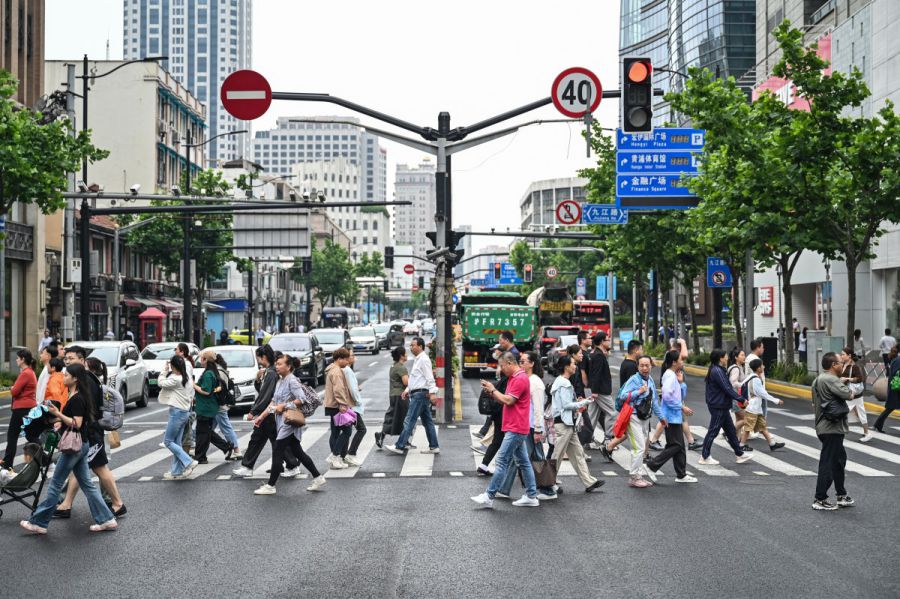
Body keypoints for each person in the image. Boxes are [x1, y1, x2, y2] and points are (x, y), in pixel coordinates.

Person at [20, 363, 118, 535]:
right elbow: (72, 421)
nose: (63, 377)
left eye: (66, 375)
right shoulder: (76, 395)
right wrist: (53, 420)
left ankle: (39, 522)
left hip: (75, 447)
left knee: (56, 483)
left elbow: (76, 423)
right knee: (87, 485)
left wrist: (58, 414)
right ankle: (107, 519)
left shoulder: (78, 399)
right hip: (82, 444)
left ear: (75, 379)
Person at [54, 355, 127, 520]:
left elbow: (86, 409)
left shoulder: (87, 381)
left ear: (82, 361)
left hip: (92, 432)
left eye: (71, 358)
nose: (67, 361)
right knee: (81, 469)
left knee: (99, 468)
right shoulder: (89, 379)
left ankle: (117, 504)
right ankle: (66, 504)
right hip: (91, 432)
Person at [470, 352, 541, 508]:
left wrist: (493, 390)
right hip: (514, 425)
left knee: (501, 461)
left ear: (510, 363)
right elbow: (505, 399)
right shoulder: (514, 378)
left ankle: (489, 495)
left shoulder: (520, 379)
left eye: (502, 366)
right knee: (523, 462)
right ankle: (531, 495)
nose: (501, 369)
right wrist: (492, 392)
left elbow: (509, 400)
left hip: (516, 427)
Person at [253, 354, 326, 495]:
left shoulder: (292, 381)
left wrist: (285, 405)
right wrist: (261, 417)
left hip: (289, 421)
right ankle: (318, 477)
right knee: (298, 451)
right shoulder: (281, 381)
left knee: (278, 451)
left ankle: (270, 485)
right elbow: (273, 402)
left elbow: (302, 399)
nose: (277, 366)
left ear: (289, 366)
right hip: (281, 421)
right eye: (276, 364)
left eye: (280, 364)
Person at [494, 351, 556, 501]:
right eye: (520, 361)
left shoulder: (535, 382)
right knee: (527, 458)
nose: (520, 364)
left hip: (531, 426)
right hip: (525, 425)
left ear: (532, 364)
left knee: (525, 459)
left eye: (523, 361)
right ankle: (546, 488)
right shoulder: (525, 379)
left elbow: (538, 409)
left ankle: (547, 489)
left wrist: (538, 430)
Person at [234, 345, 299, 477]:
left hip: (270, 413)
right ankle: (248, 466)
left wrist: (254, 411)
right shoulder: (269, 372)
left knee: (273, 441)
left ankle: (292, 465)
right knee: (259, 439)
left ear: (263, 357)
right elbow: (263, 392)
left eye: (258, 358)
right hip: (269, 412)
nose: (258, 361)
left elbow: (265, 396)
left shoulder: (271, 373)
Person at [545, 355, 604, 493]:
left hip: (567, 424)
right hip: (564, 424)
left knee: (578, 453)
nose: (575, 366)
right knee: (557, 456)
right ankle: (547, 484)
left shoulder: (560, 381)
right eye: (573, 364)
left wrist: (577, 402)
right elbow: (566, 405)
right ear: (566, 367)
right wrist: (584, 402)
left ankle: (589, 482)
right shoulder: (564, 383)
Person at [811, 352, 855, 511]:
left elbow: (814, 404)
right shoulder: (831, 379)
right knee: (829, 463)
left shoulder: (818, 380)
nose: (842, 365)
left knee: (838, 460)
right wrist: (846, 386)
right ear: (833, 365)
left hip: (824, 427)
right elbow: (848, 395)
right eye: (840, 363)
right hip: (832, 428)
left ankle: (841, 494)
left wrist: (840, 382)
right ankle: (820, 498)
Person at [646, 349, 697, 483]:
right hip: (670, 416)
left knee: (678, 446)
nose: (682, 361)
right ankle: (652, 465)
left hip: (674, 416)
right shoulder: (669, 376)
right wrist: (682, 407)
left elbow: (676, 394)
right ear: (674, 362)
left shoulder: (672, 375)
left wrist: (680, 383)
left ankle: (681, 474)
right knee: (676, 446)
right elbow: (667, 396)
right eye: (680, 359)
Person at [609, 355, 658, 488]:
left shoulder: (651, 380)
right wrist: (639, 391)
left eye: (647, 365)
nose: (644, 368)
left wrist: (662, 417)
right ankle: (634, 477)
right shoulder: (634, 380)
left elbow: (655, 401)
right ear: (637, 367)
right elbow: (623, 396)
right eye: (641, 365)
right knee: (639, 447)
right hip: (633, 417)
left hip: (645, 418)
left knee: (641, 447)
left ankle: (638, 475)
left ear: (651, 366)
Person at [386, 337, 440, 456]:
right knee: (427, 421)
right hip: (418, 392)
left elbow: (429, 377)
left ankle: (399, 445)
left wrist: (432, 393)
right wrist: (407, 389)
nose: (411, 347)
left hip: (420, 394)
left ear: (420, 346)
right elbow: (416, 378)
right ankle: (434, 446)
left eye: (413, 345)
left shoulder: (424, 359)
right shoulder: (418, 359)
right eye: (410, 345)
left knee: (409, 420)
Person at [699, 349, 754, 466]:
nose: (727, 358)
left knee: (730, 431)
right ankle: (704, 456)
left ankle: (739, 454)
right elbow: (727, 388)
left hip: (721, 405)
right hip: (718, 405)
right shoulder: (717, 371)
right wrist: (741, 399)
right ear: (721, 358)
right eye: (726, 356)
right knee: (713, 431)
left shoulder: (718, 370)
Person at [158, 355, 199, 479]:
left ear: (173, 367)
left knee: (168, 441)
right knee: (177, 443)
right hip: (184, 412)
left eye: (171, 366)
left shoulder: (177, 379)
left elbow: (161, 383)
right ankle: (177, 471)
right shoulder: (187, 379)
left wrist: (164, 371)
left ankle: (189, 462)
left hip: (177, 413)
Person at [737, 358, 786, 451]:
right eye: (762, 365)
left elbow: (741, 385)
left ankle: (772, 444)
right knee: (748, 428)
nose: (763, 366)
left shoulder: (751, 376)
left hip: (756, 408)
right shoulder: (756, 379)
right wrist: (775, 400)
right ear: (758, 368)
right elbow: (762, 393)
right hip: (752, 408)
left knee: (762, 426)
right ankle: (741, 445)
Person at [2, 349, 40, 469]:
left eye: (18, 358)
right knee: (30, 435)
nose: (16, 360)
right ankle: (44, 458)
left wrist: (13, 387)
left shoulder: (26, 373)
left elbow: (14, 391)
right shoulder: (30, 372)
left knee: (12, 436)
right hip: (28, 408)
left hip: (21, 409)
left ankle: (7, 464)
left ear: (23, 359)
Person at [192, 350, 232, 464]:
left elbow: (206, 391)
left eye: (201, 358)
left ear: (205, 360)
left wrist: (193, 385)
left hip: (206, 407)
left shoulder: (209, 373)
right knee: (206, 431)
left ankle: (201, 456)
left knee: (202, 432)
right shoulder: (211, 371)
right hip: (207, 406)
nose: (200, 360)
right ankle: (225, 447)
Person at [324, 347, 356, 468]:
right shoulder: (337, 371)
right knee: (347, 431)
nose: (348, 362)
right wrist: (343, 404)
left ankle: (336, 459)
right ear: (340, 359)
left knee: (335, 432)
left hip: (332, 405)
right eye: (346, 359)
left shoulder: (332, 369)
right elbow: (338, 390)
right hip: (337, 405)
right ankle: (334, 455)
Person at [585, 332, 617, 445]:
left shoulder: (596, 353)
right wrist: (594, 391)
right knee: (612, 413)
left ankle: (586, 438)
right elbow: (596, 374)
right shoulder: (598, 355)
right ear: (602, 342)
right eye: (607, 340)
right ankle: (608, 437)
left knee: (592, 416)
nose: (609, 342)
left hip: (597, 391)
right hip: (601, 391)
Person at [375, 346, 410, 449]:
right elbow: (406, 382)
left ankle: (403, 440)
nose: (407, 355)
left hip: (394, 395)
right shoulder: (401, 367)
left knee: (396, 417)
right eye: (405, 353)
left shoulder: (394, 366)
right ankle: (402, 440)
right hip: (401, 395)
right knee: (404, 417)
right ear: (401, 356)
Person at [839, 347, 874, 443]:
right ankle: (867, 432)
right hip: (847, 394)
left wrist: (847, 379)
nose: (841, 356)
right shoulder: (843, 365)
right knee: (858, 413)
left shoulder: (854, 366)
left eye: (843, 354)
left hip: (854, 395)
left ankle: (866, 433)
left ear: (849, 356)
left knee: (844, 412)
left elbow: (860, 378)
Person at [212, 354, 242, 462]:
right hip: (217, 405)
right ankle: (197, 449)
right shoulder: (221, 369)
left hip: (219, 405)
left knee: (225, 427)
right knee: (207, 430)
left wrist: (210, 391)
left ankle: (236, 450)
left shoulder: (219, 371)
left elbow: (219, 388)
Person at [343, 351, 367, 467]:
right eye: (352, 355)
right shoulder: (347, 370)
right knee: (362, 429)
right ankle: (350, 454)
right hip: (353, 406)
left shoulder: (346, 370)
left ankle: (343, 455)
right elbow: (352, 389)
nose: (354, 357)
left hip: (348, 405)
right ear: (347, 358)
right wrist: (358, 401)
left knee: (346, 431)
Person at [873, 343, 899, 434]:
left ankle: (877, 424)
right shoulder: (898, 360)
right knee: (889, 408)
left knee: (889, 408)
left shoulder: (895, 359)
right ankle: (877, 424)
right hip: (896, 388)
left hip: (894, 387)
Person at [726, 346, 748, 437]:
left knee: (739, 420)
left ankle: (738, 442)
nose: (744, 357)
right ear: (736, 357)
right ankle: (728, 433)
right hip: (736, 398)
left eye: (744, 355)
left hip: (735, 397)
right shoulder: (736, 368)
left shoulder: (738, 367)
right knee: (748, 419)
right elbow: (733, 383)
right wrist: (743, 384)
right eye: (742, 355)